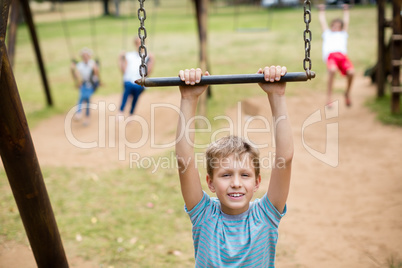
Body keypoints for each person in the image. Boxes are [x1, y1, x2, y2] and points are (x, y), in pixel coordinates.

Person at [175, 66, 293, 267]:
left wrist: (277, 95)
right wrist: (188, 99)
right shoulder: (205, 216)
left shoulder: (265, 216)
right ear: (210, 183)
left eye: (245, 175)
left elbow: (285, 158)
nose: (236, 183)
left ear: (257, 182)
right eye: (226, 175)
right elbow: (184, 161)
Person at [319, 4, 354, 107]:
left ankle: (347, 93)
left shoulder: (343, 34)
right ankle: (329, 98)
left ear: (341, 27)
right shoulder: (327, 33)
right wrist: (322, 11)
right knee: (332, 70)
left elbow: (346, 21)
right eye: (334, 25)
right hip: (331, 57)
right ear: (331, 26)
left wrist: (346, 11)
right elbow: (322, 22)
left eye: (338, 26)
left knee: (351, 72)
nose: (335, 27)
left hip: (342, 57)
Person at [118, 37, 155, 118]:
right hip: (129, 81)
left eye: (141, 43)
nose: (139, 45)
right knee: (127, 88)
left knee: (136, 93)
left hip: (140, 83)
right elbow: (123, 70)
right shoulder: (129, 55)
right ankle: (121, 111)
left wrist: (152, 61)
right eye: (137, 43)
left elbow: (148, 73)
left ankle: (131, 113)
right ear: (135, 44)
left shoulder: (147, 57)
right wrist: (120, 59)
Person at [70, 48, 100, 126]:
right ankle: (79, 113)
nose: (85, 57)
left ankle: (86, 117)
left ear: (89, 56)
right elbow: (76, 75)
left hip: (91, 84)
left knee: (86, 98)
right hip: (83, 84)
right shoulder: (80, 65)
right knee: (82, 97)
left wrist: (95, 69)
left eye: (86, 56)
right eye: (84, 56)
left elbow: (96, 74)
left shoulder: (92, 64)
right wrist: (72, 70)